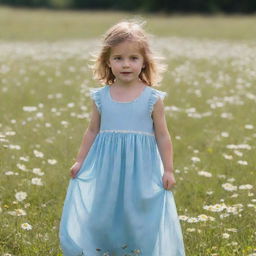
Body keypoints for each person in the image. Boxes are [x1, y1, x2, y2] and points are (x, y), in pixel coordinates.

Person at [59, 19, 186, 256]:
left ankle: (138, 250)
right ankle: (103, 248)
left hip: (142, 168)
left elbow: (163, 135)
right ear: (107, 61)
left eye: (133, 58)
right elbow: (92, 131)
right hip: (107, 167)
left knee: (138, 213)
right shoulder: (101, 96)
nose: (125, 65)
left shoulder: (152, 98)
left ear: (144, 62)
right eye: (118, 58)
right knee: (103, 211)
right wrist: (79, 161)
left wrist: (168, 170)